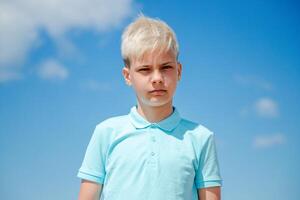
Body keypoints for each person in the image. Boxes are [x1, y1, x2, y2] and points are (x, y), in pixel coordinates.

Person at [77, 15, 222, 200]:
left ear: (178, 71)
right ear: (128, 76)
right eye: (145, 69)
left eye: (165, 67)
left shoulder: (201, 138)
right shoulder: (106, 133)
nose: (157, 78)